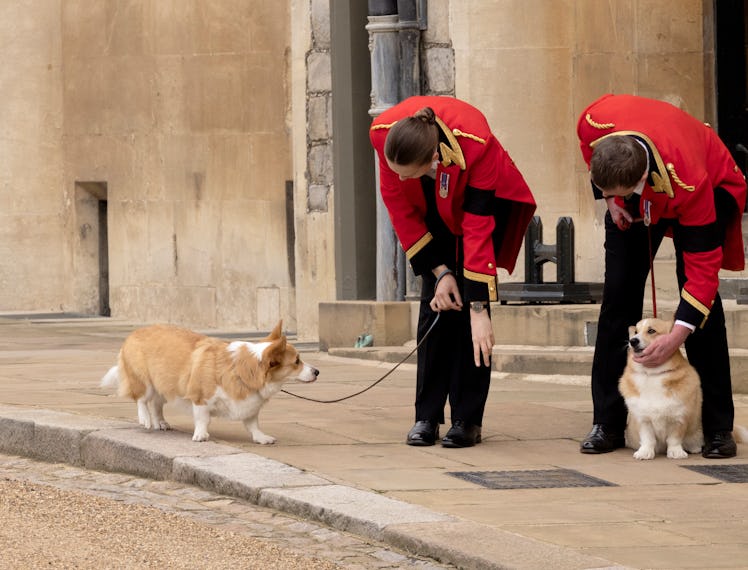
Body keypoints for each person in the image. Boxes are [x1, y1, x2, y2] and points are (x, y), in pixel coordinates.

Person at [576, 93, 747, 458]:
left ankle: (717, 427)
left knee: (702, 309)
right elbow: (588, 151)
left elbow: (703, 274)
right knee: (618, 297)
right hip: (642, 181)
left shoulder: (690, 181)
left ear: (640, 178)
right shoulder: (594, 123)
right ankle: (607, 422)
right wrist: (612, 201)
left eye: (622, 193)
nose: (615, 198)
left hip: (711, 187)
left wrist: (675, 337)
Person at [369, 96, 536, 448]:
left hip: (476, 200)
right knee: (435, 303)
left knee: (472, 320)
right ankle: (426, 416)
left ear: (431, 158)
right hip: (429, 208)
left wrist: (479, 310)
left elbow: (477, 230)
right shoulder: (386, 136)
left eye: (405, 173)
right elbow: (399, 208)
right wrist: (440, 271)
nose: (397, 177)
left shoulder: (477, 146)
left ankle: (467, 419)